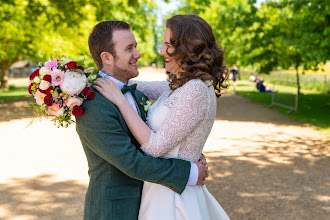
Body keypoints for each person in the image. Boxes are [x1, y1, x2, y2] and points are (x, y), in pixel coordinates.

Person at [95, 15, 230, 219]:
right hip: (163, 188)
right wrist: (78, 83)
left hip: (172, 197)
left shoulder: (195, 89)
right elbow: (135, 86)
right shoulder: (182, 84)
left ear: (187, 48)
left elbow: (155, 147)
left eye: (168, 45)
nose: (160, 51)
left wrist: (121, 102)